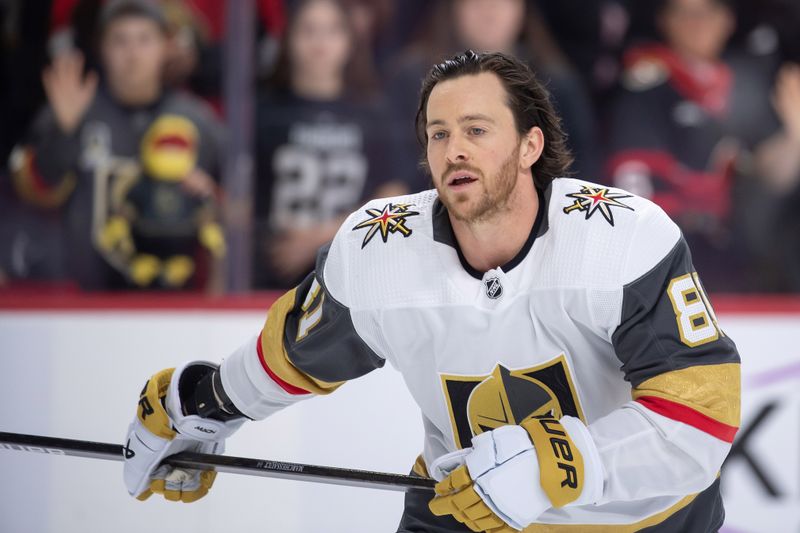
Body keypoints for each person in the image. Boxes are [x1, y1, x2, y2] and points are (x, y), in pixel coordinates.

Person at [124, 51, 741, 532]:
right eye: (439, 134)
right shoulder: (381, 250)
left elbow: (699, 420)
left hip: (644, 520)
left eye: (476, 129)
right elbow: (290, 358)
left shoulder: (619, 236)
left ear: (532, 145)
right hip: (465, 508)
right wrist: (200, 405)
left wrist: (560, 465)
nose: (455, 150)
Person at [8, 0, 224, 290]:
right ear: (101, 48)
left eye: (144, 40)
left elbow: (240, 208)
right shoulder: (74, 109)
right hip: (86, 300)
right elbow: (32, 193)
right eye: (120, 41)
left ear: (166, 47)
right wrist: (63, 133)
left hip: (175, 302)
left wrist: (210, 197)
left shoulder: (198, 120)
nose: (132, 54)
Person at [604, 0, 800, 292]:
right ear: (664, 20)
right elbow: (633, 182)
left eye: (708, 12)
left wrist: (795, 133)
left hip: (738, 254)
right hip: (672, 252)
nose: (697, 23)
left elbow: (771, 178)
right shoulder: (646, 85)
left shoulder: (744, 86)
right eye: (684, 13)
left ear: (728, 20)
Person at [253, 0, 407, 288]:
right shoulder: (262, 113)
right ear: (288, 39)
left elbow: (393, 195)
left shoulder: (373, 113)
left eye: (332, 30)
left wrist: (319, 238)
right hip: (272, 275)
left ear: (350, 40)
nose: (319, 42)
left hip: (351, 277)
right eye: (308, 30)